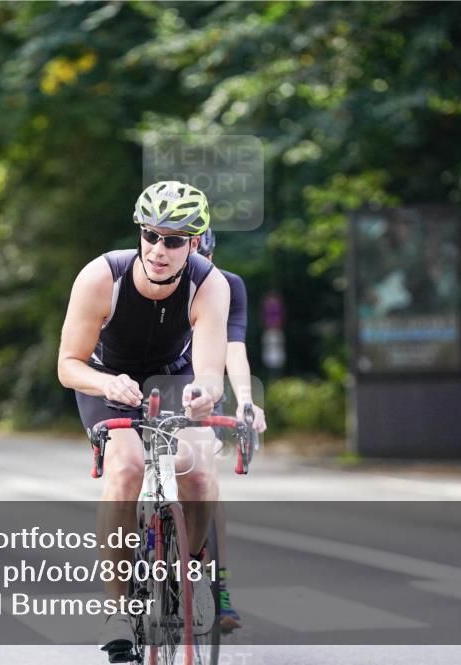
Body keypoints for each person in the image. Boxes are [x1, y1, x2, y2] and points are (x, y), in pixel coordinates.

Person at [57, 181, 230, 660]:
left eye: (173, 241)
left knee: (198, 472)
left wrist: (203, 394)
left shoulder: (209, 284)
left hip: (174, 377)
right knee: (128, 468)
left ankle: (188, 570)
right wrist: (106, 384)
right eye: (150, 235)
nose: (158, 250)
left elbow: (210, 370)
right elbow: (68, 364)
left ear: (193, 244)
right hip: (108, 380)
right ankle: (117, 607)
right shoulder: (101, 277)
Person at [195, 228, 267, 632]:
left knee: (206, 479)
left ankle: (217, 584)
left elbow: (233, 347)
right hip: (154, 379)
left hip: (201, 388)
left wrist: (245, 401)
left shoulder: (226, 286)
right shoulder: (153, 280)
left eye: (204, 261)